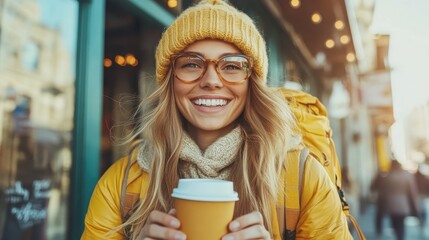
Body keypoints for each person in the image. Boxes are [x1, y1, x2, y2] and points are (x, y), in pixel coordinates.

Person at [81, 0, 352, 239]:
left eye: (232, 66)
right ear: (170, 82)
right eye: (191, 64)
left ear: (252, 83)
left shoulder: (303, 178)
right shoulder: (122, 183)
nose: (211, 81)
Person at [373, 160, 420, 240]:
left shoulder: (388, 176)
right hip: (403, 203)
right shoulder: (407, 176)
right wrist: (415, 206)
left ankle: (397, 236)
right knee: (401, 224)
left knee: (394, 223)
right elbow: (412, 193)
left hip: (390, 203)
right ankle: (400, 237)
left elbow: (382, 190)